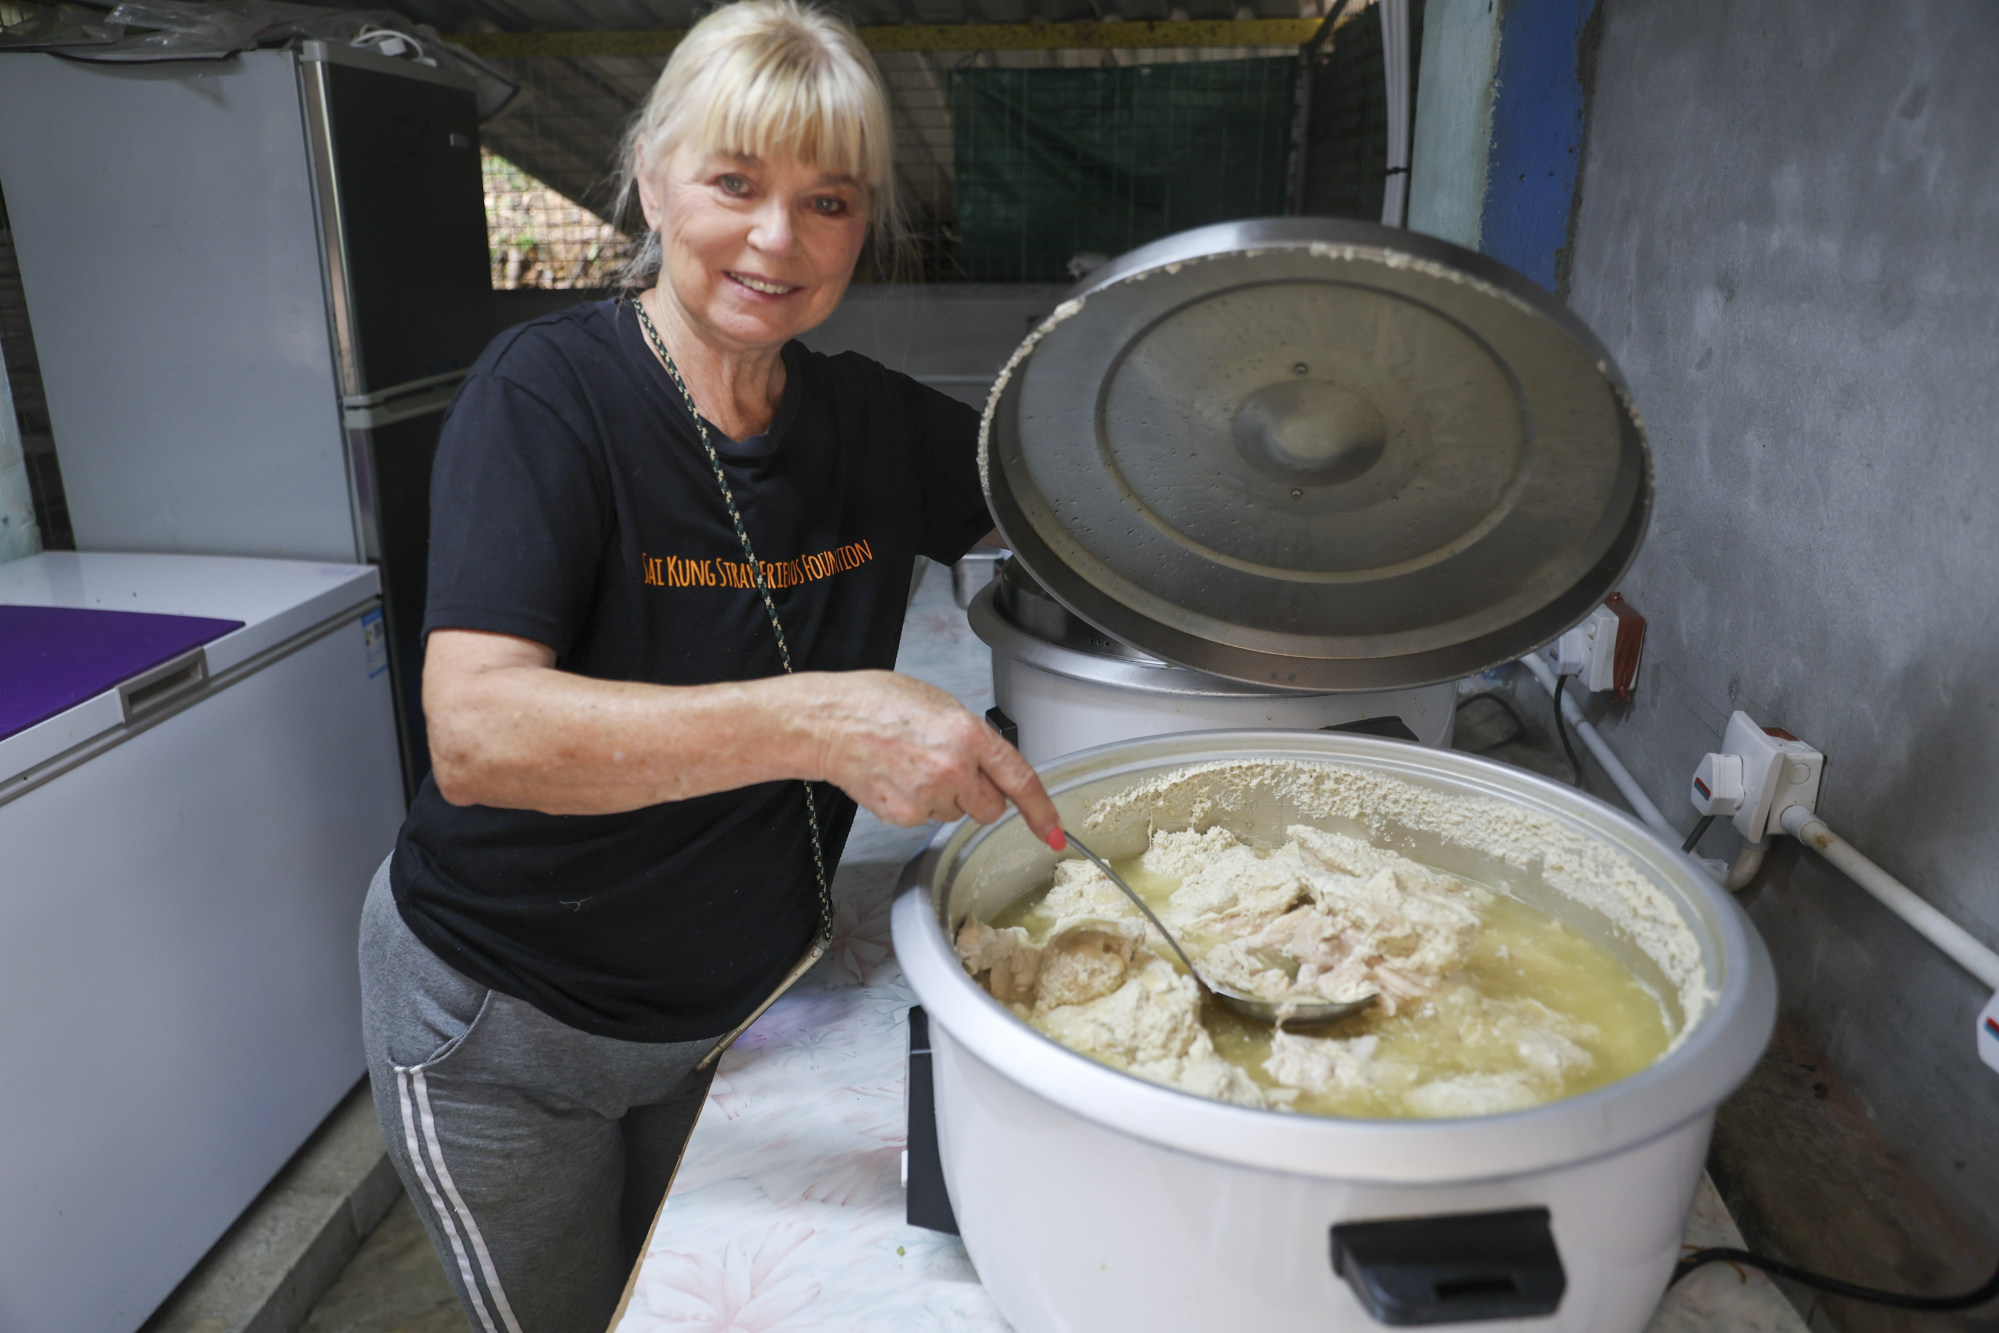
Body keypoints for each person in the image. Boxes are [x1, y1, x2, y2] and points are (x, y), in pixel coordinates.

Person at [356, 4, 1062, 1329]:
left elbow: (1083, 499)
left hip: (739, 1003)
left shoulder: (871, 426)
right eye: (735, 182)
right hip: (512, 1028)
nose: (778, 239)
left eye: (830, 199)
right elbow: (480, 731)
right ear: (651, 178)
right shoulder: (550, 399)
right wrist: (825, 722)